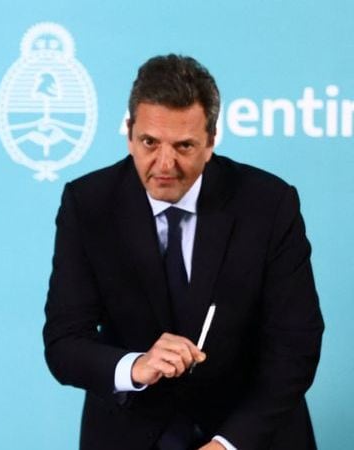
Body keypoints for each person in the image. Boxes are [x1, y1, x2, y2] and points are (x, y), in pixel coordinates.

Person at [43, 54, 323, 450]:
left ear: (210, 142)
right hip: (130, 432)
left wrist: (228, 444)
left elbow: (297, 344)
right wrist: (135, 367)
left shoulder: (269, 204)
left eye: (184, 146)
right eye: (149, 143)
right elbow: (64, 343)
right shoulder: (88, 204)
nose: (165, 164)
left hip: (251, 434)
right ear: (129, 133)